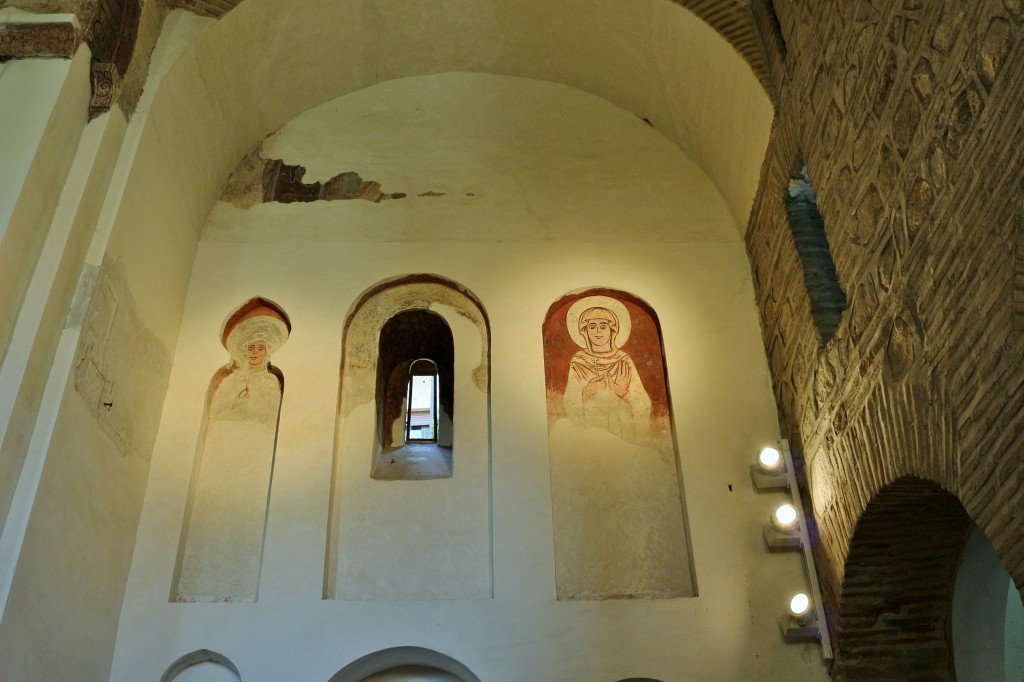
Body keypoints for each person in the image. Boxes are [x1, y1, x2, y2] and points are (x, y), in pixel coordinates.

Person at [563, 305, 651, 439]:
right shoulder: (579, 362)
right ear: (584, 331)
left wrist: (623, 393)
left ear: (612, 330)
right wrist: (588, 392)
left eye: (603, 326)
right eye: (592, 326)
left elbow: (643, 404)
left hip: (623, 431)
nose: (598, 331)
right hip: (592, 432)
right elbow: (568, 403)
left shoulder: (623, 361)